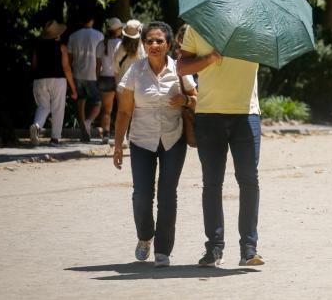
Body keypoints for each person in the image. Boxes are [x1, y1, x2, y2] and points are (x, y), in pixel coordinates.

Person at [177, 24, 265, 268]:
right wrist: (210, 57)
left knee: (249, 180)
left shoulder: (256, 29)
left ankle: (249, 249)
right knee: (212, 183)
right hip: (208, 114)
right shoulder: (197, 28)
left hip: (246, 115)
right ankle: (214, 248)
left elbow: (266, 55)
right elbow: (182, 67)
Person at [113, 21, 197, 268]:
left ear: (169, 44)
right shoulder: (135, 71)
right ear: (143, 44)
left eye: (159, 41)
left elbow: (196, 99)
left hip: (174, 139)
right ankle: (145, 235)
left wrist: (184, 100)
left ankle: (163, 250)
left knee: (167, 195)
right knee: (141, 195)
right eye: (149, 41)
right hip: (141, 141)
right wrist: (118, 145)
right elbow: (124, 112)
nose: (154, 45)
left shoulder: (180, 70)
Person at [29, 20, 78, 146]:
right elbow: (66, 68)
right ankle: (55, 138)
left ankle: (37, 125)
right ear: (57, 34)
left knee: (43, 106)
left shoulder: (37, 46)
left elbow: (33, 65)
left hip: (39, 79)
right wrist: (73, 89)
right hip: (58, 80)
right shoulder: (62, 47)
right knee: (58, 108)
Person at [68, 13, 104, 142]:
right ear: (92, 20)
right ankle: (88, 122)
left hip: (77, 74)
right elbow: (101, 57)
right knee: (97, 102)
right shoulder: (99, 35)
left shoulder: (73, 36)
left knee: (80, 101)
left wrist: (71, 73)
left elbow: (69, 58)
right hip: (93, 74)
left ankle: (83, 128)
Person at [95, 17, 124, 144]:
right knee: (122, 109)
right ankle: (120, 135)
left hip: (105, 77)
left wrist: (97, 79)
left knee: (106, 110)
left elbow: (97, 65)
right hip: (120, 78)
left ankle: (105, 135)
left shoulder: (101, 44)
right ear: (118, 30)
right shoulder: (122, 44)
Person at [113, 19, 145, 84]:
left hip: (122, 82)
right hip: (139, 84)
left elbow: (115, 68)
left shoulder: (119, 46)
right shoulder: (143, 47)